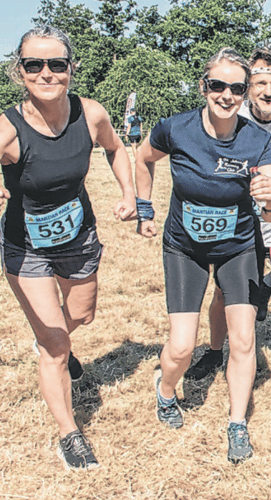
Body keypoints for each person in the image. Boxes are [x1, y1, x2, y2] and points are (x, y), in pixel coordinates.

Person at [134, 47, 271, 464]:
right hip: (185, 247)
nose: (226, 95)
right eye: (217, 85)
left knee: (244, 338)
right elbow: (143, 158)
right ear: (204, 86)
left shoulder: (257, 139)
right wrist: (143, 206)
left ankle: (238, 423)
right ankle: (165, 392)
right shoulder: (175, 129)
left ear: (246, 92)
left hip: (238, 246)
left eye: (237, 88)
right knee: (181, 347)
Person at [0, 25, 136, 469]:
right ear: (20, 71)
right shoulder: (8, 128)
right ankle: (69, 433)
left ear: (71, 69)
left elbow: (116, 149)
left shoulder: (90, 113)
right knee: (55, 343)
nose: (46, 73)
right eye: (34, 64)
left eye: (56, 64)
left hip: (79, 238)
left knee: (80, 315)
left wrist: (129, 194)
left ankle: (54, 343)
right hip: (27, 248)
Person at [184, 47, 271, 381]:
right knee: (224, 293)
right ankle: (213, 352)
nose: (269, 91)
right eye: (259, 82)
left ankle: (266, 289)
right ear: (247, 86)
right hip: (240, 225)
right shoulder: (231, 114)